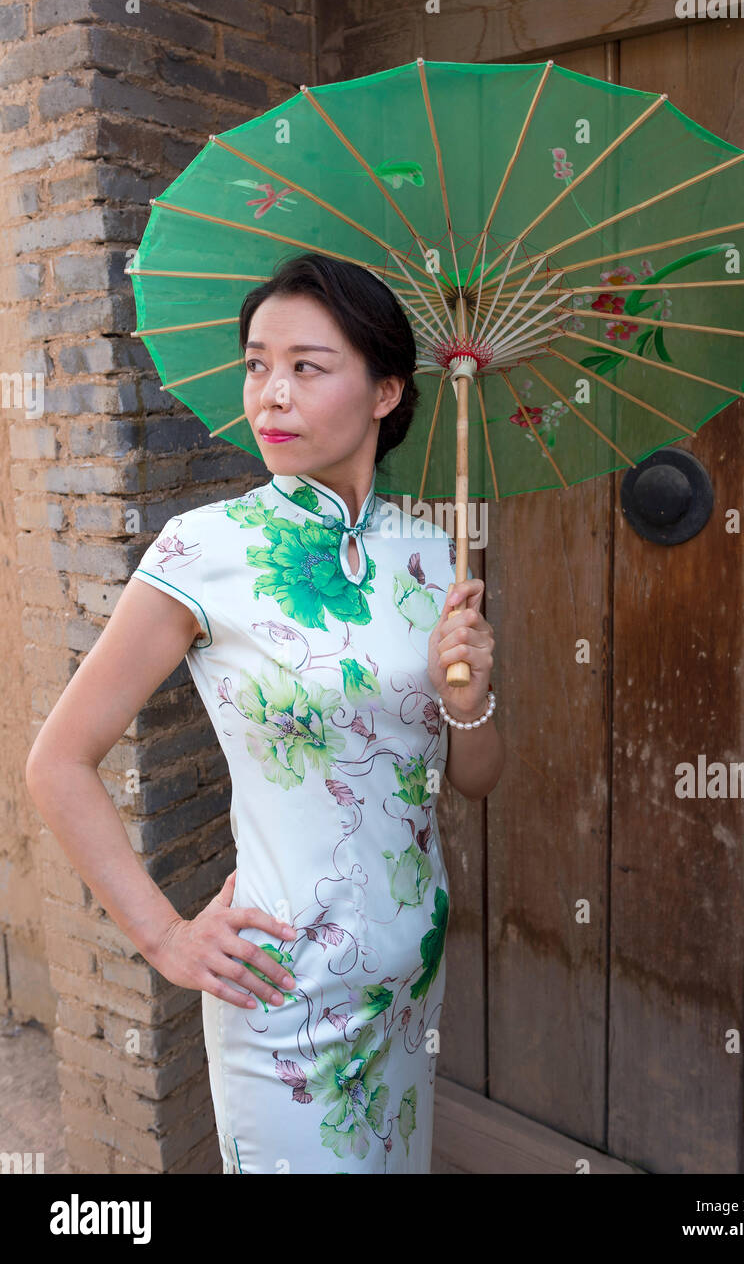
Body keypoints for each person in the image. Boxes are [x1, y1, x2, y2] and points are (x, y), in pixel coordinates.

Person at [25, 250, 505, 1174]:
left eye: (305, 366)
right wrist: (166, 937)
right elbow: (58, 761)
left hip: (413, 974)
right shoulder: (208, 550)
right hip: (282, 993)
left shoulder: (432, 555)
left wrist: (473, 698)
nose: (270, 394)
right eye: (257, 363)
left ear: (384, 393)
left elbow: (474, 779)